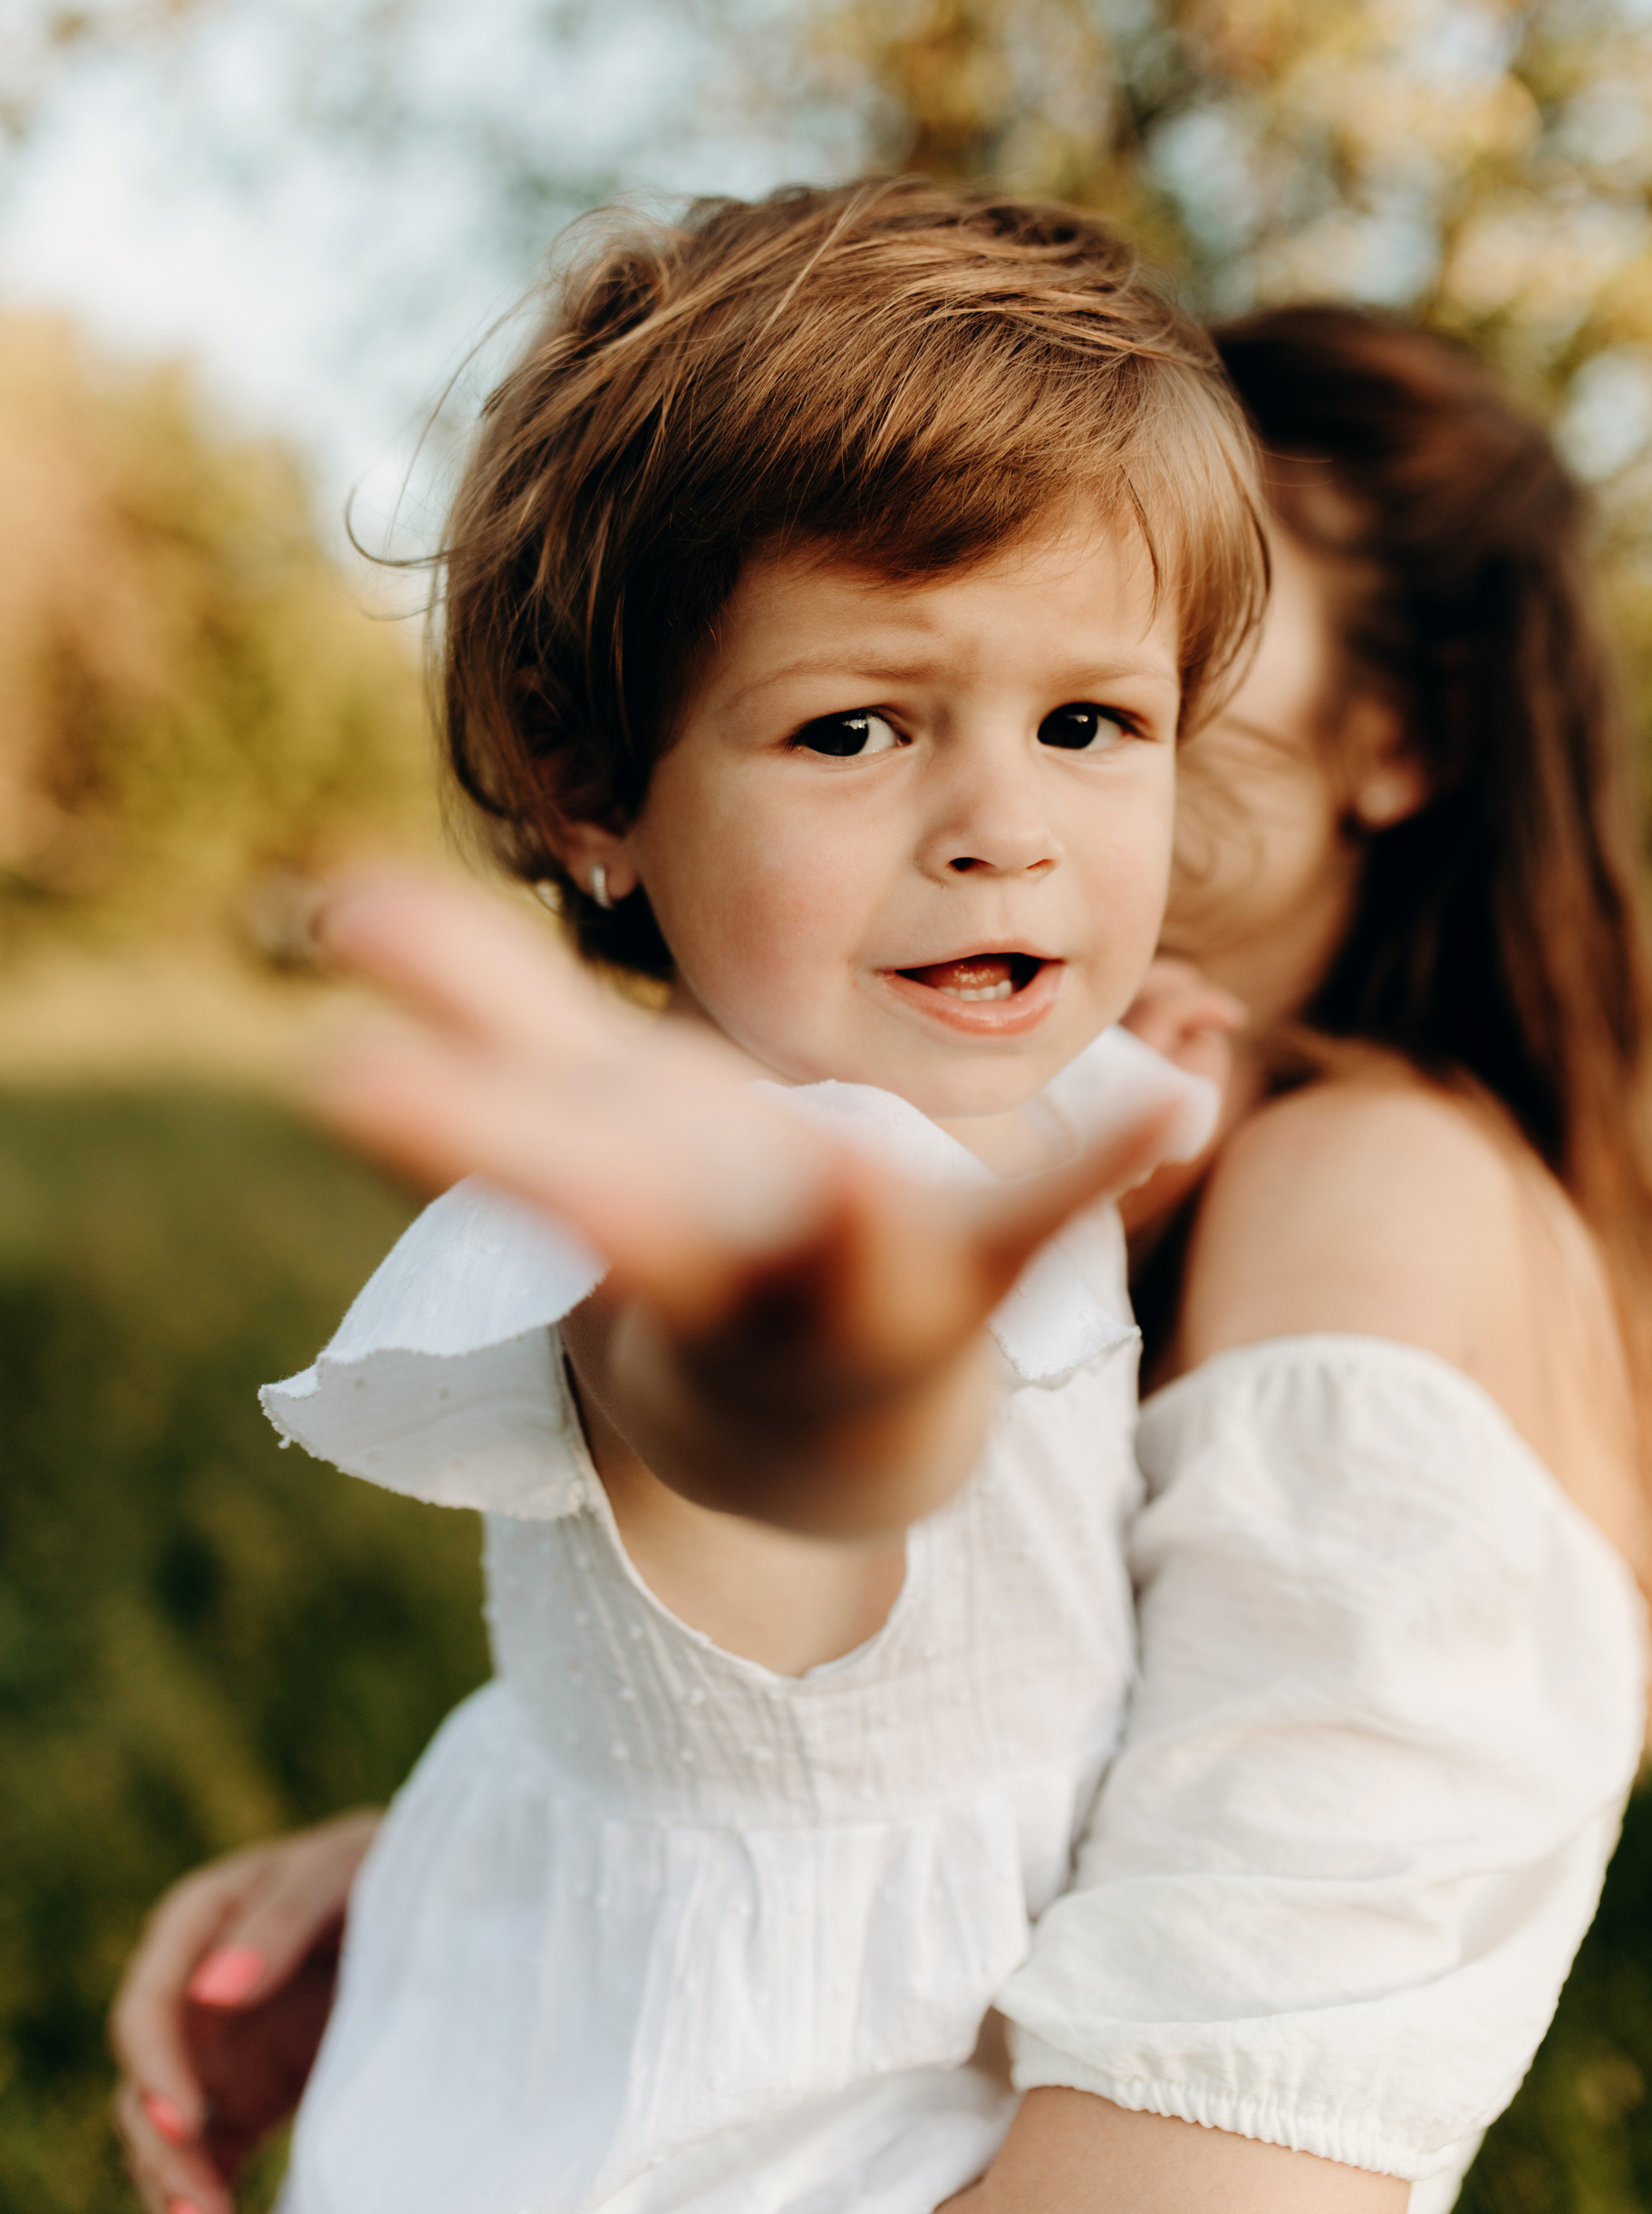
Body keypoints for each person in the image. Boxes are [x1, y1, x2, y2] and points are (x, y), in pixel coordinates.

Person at [110, 263, 1649, 2214]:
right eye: (862, 699)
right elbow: (881, 1736)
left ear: (1398, 734)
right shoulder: (1078, 1132)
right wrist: (474, 1861)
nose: (1006, 798)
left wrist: (806, 1408)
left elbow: (1232, 2129)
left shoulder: (1370, 1192)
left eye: (1116, 665)